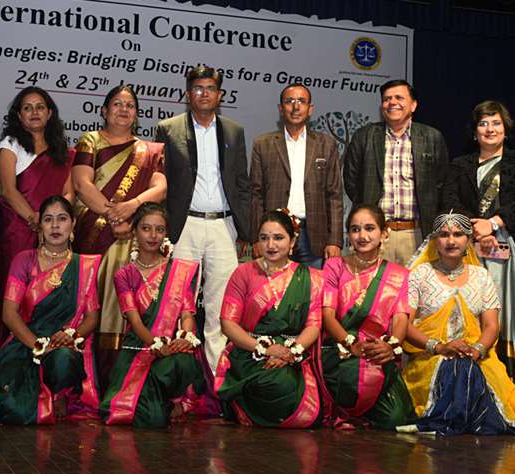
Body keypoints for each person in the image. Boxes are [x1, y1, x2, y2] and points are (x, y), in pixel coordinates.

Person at [401, 212, 515, 436]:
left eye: (458, 234)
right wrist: (439, 347)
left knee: (467, 368)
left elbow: (492, 326)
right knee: (455, 368)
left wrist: (477, 349)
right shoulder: (420, 274)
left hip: (476, 355)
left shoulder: (481, 276)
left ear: (468, 240)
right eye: (444, 235)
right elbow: (405, 325)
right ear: (435, 240)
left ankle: (460, 419)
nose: (451, 240)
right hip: (429, 357)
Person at [441, 100, 515, 396]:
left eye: (496, 123)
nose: (490, 129)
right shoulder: (460, 165)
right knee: (475, 313)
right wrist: (476, 228)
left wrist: (495, 223)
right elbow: (449, 199)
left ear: (506, 128)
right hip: (472, 250)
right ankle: (479, 385)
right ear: (474, 132)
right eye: (483, 123)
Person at [154, 65, 252, 373]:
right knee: (176, 302)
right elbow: (161, 182)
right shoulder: (168, 129)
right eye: (198, 88)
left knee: (221, 306)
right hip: (184, 226)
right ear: (188, 94)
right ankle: (175, 377)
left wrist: (246, 231)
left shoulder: (234, 131)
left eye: (210, 88)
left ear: (220, 95)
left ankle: (215, 378)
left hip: (223, 225)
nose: (204, 94)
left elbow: (242, 184)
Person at [71, 84, 166, 373]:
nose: (124, 109)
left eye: (130, 105)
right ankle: (86, 377)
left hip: (134, 239)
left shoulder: (151, 150)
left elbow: (160, 188)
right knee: (91, 304)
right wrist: (115, 216)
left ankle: (126, 375)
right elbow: (82, 184)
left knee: (129, 305)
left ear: (137, 114)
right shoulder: (90, 141)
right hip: (94, 235)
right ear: (104, 110)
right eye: (117, 104)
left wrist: (132, 209)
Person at [0, 196, 101, 424]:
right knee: (11, 409)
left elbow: (92, 317)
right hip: (24, 344)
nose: (55, 226)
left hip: (63, 344)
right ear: (40, 226)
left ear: (73, 224)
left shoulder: (84, 266)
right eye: (48, 219)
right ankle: (41, 399)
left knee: (63, 359)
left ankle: (60, 394)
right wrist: (39, 346)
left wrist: (71, 336)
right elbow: (9, 314)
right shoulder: (24, 260)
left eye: (62, 219)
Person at [101, 203, 209, 427]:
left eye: (159, 230)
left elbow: (187, 314)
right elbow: (134, 320)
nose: (153, 235)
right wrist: (155, 344)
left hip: (172, 350)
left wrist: (185, 337)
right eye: (146, 228)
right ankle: (160, 402)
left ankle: (171, 398)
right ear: (134, 231)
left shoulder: (177, 270)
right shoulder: (124, 275)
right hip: (139, 349)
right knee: (147, 417)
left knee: (183, 363)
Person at [215, 210, 326, 428]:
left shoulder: (311, 278)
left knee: (284, 382)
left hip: (292, 354)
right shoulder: (243, 273)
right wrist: (264, 349)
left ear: (292, 241)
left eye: (278, 238)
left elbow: (314, 326)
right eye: (264, 238)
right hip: (249, 352)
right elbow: (227, 324)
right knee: (272, 381)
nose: (271, 245)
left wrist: (290, 352)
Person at [0, 87, 74, 348]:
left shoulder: (62, 151)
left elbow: (68, 193)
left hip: (55, 233)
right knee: (14, 294)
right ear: (19, 115)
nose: (34, 112)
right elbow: (8, 190)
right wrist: (35, 220)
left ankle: (50, 347)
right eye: (27, 108)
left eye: (40, 107)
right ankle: (9, 351)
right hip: (18, 230)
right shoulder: (11, 145)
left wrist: (54, 222)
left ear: (50, 113)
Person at [320, 204, 416, 429]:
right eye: (355, 229)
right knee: (352, 379)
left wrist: (391, 346)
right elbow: (327, 315)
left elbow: (400, 318)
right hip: (339, 352)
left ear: (384, 234)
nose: (362, 236)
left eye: (370, 228)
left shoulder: (399, 275)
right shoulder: (334, 266)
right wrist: (350, 343)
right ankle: (345, 410)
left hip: (378, 353)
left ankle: (360, 412)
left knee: (395, 418)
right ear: (348, 235)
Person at [342, 79, 449, 266]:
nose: (392, 102)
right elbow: (351, 180)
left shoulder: (432, 137)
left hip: (417, 234)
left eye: (399, 98)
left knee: (415, 285)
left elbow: (442, 182)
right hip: (376, 235)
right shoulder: (364, 136)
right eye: (387, 99)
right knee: (373, 285)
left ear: (413, 105)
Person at [249, 84, 343, 269]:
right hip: (275, 233)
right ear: (280, 108)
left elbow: (334, 196)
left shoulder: (326, 144)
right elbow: (256, 195)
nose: (295, 107)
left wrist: (335, 240)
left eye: (301, 101)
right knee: (274, 285)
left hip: (314, 234)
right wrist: (256, 237)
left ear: (310, 109)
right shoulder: (263, 144)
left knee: (313, 285)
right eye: (289, 101)